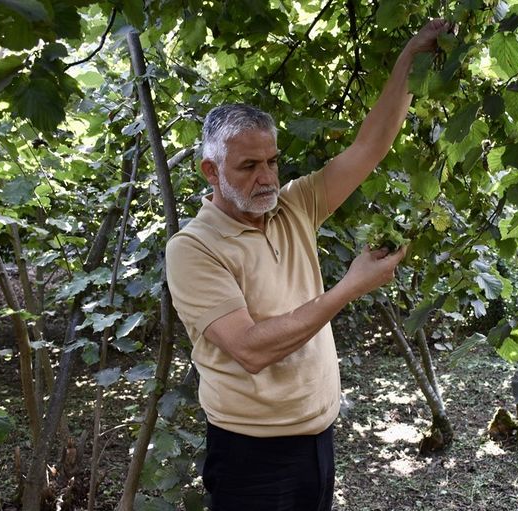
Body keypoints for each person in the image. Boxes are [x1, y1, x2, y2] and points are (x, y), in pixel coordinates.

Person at [165, 19, 452, 511]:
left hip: (318, 440)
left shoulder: (294, 205)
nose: (266, 177)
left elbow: (369, 147)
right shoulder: (193, 247)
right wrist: (350, 287)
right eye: (248, 166)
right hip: (251, 456)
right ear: (211, 170)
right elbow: (250, 349)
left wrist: (411, 55)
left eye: (272, 161)